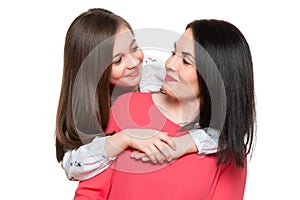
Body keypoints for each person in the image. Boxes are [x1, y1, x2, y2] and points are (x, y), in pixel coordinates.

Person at [74, 19, 256, 200]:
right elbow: (90, 192)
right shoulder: (128, 107)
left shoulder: (229, 150)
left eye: (185, 61)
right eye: (173, 52)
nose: (170, 64)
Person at [55, 8, 219, 181]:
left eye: (134, 48)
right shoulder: (84, 106)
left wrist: (185, 144)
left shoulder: (158, 74)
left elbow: (230, 130)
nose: (134, 62)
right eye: (117, 60)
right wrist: (124, 138)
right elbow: (73, 167)